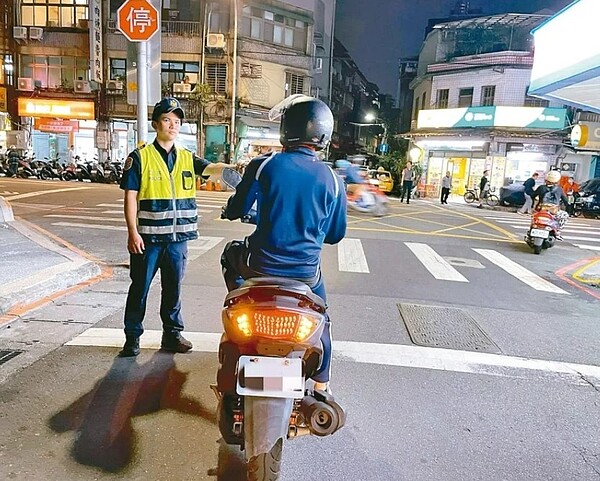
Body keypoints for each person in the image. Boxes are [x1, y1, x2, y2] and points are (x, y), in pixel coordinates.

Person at [220, 95, 347, 392]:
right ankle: (321, 385)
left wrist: (235, 211)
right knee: (322, 317)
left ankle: (242, 307)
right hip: (305, 273)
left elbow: (238, 207)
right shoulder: (333, 178)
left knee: (229, 255)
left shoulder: (263, 166)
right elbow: (335, 234)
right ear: (323, 135)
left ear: (286, 129)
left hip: (258, 266)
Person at [118, 97, 224, 357]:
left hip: (178, 240)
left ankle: (172, 334)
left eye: (177, 121)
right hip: (148, 239)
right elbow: (130, 196)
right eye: (167, 120)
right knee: (139, 289)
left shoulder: (188, 157)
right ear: (156, 124)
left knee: (173, 288)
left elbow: (212, 170)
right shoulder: (140, 157)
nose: (173, 125)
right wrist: (132, 232)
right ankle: (132, 337)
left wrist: (239, 169)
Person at [531, 170, 569, 239]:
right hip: (553, 211)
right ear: (557, 180)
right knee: (565, 216)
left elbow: (533, 196)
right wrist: (567, 205)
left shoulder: (541, 187)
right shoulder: (559, 189)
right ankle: (557, 231)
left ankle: (531, 230)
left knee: (534, 218)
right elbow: (566, 200)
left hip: (540, 209)